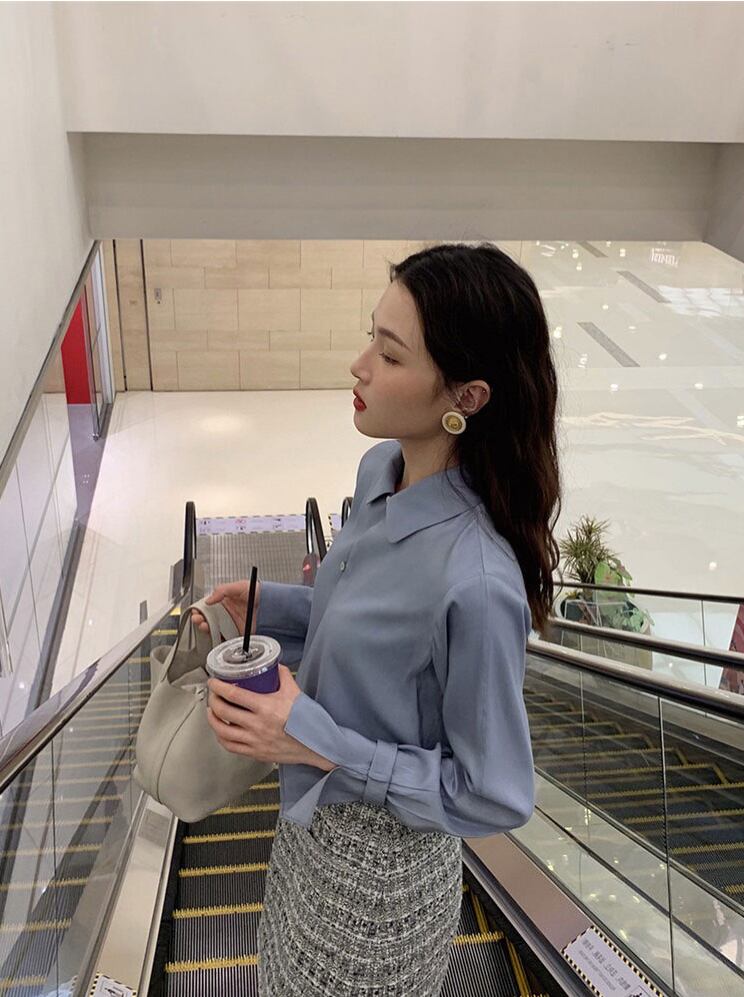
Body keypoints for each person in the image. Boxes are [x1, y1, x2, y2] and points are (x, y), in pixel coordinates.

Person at [192, 242, 562, 996]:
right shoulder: (378, 470)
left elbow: (495, 792)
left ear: (468, 397)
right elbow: (377, 631)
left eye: (390, 355)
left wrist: (319, 743)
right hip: (305, 834)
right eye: (371, 338)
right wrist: (276, 608)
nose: (359, 366)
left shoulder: (476, 581)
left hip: (381, 890)